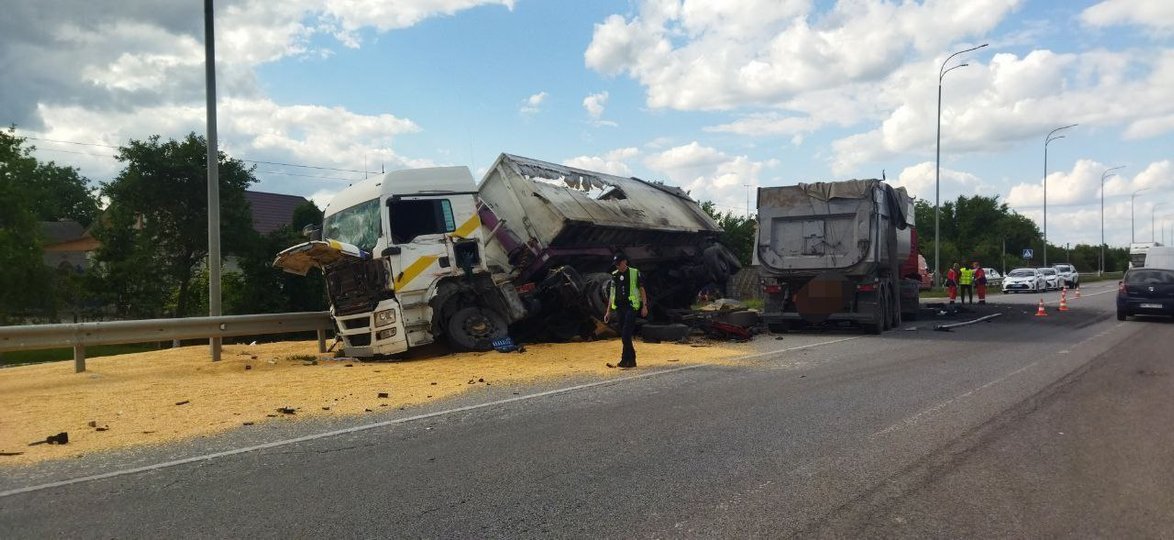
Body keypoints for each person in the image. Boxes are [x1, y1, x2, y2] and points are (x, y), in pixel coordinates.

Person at [604, 253, 647, 369]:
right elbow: (612, 294)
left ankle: (630, 359)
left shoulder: (634, 272)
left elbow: (642, 290)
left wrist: (644, 306)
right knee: (624, 334)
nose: (617, 266)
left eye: (619, 263)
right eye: (616, 264)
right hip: (619, 307)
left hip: (631, 306)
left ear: (625, 262)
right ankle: (626, 360)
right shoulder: (615, 275)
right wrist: (608, 311)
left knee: (625, 334)